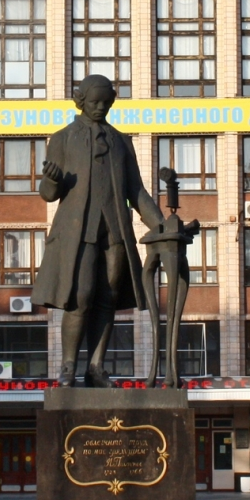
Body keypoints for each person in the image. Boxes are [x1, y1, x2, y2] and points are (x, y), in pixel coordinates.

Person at [30, 75, 164, 386]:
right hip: (78, 232)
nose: (101, 107)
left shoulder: (121, 141)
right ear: (81, 101)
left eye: (106, 102)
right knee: (81, 295)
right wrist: (51, 179)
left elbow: (137, 191)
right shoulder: (63, 138)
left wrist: (161, 225)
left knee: (109, 297)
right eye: (94, 102)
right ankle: (68, 366)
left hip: (114, 229)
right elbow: (49, 194)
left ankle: (96, 367)